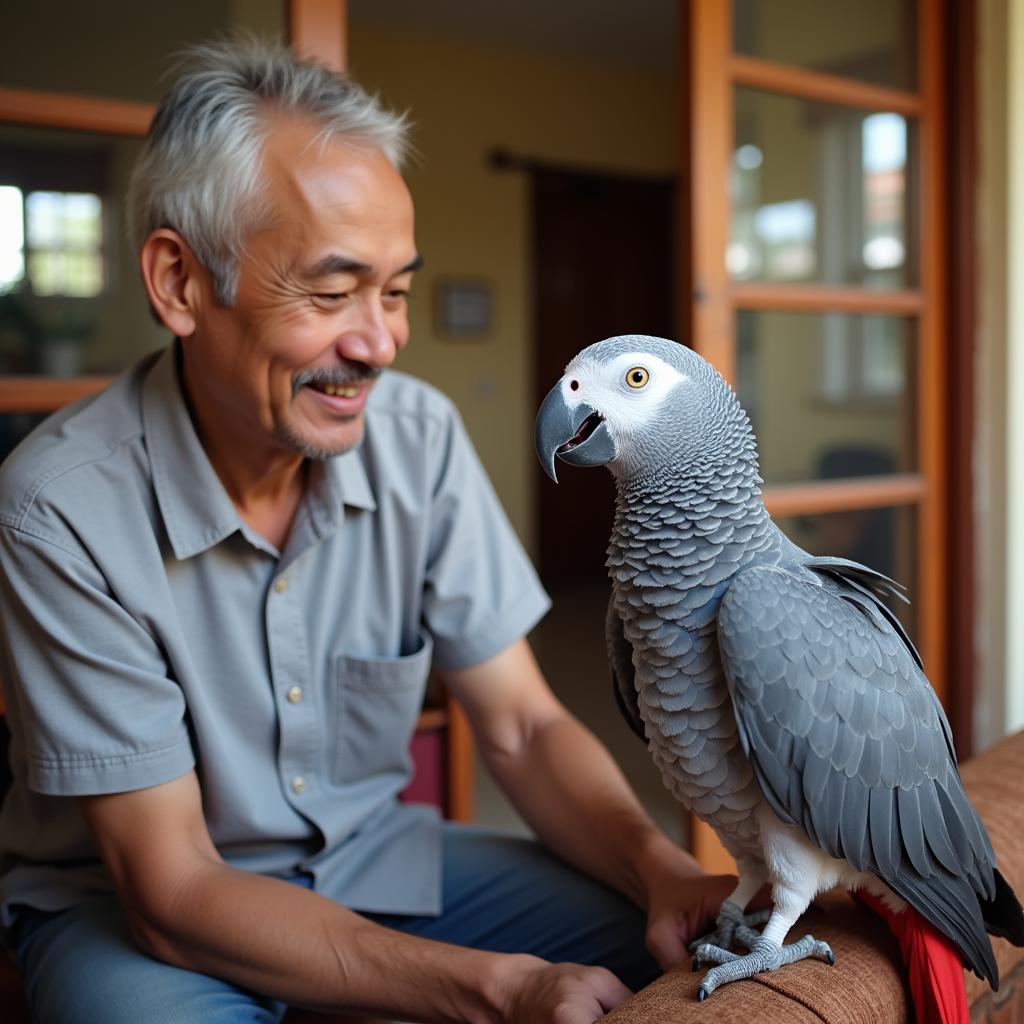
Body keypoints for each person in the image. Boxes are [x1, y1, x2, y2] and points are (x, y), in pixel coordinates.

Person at [0, 39, 734, 1024]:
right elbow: (170, 890)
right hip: (133, 910)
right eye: (332, 291)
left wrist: (662, 870)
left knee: (675, 956)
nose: (380, 341)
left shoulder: (417, 436)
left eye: (394, 291)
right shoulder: (59, 507)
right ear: (179, 282)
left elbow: (521, 723)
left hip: (373, 857)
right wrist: (501, 987)